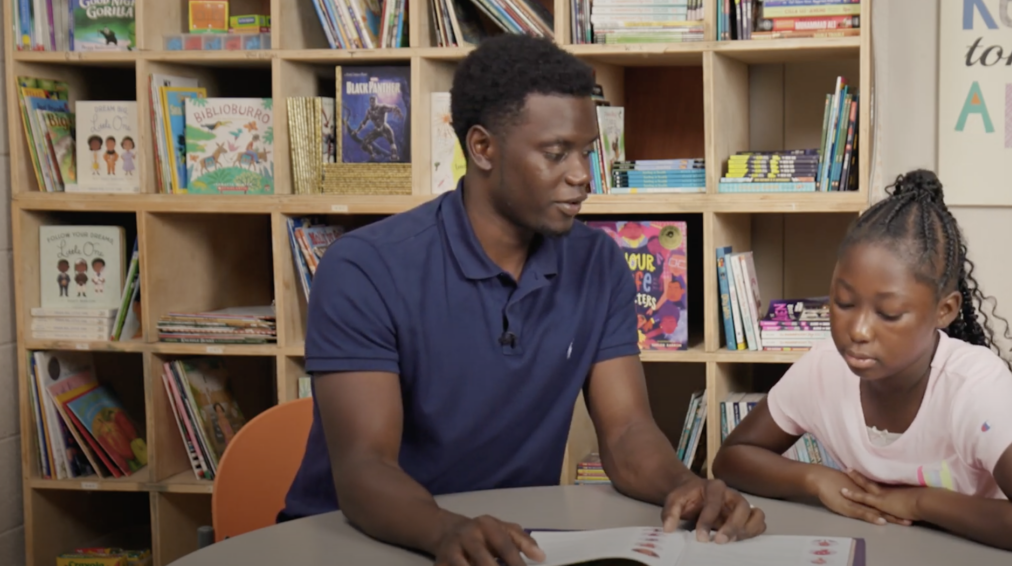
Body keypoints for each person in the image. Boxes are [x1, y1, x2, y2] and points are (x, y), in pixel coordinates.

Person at [279, 34, 765, 565]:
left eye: (586, 152)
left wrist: (684, 486)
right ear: (482, 148)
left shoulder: (598, 264)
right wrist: (446, 532)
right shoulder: (364, 268)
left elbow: (627, 432)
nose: (582, 176)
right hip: (352, 544)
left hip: (508, 547)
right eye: (556, 154)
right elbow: (364, 469)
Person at [712, 169, 1012, 554]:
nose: (858, 330)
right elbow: (731, 459)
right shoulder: (824, 367)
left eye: (889, 313)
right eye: (843, 303)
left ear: (944, 310)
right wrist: (815, 479)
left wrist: (919, 502)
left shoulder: (974, 388)